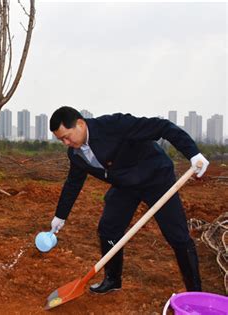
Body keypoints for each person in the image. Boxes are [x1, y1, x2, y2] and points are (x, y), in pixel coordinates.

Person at [49, 106, 209, 294]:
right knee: (108, 229)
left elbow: (162, 127)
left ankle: (195, 293)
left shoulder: (114, 125)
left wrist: (193, 153)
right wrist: (60, 216)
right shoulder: (76, 153)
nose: (66, 143)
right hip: (126, 185)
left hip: (155, 178)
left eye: (67, 137)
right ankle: (112, 280)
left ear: (80, 124)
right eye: (61, 140)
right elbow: (73, 184)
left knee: (178, 236)